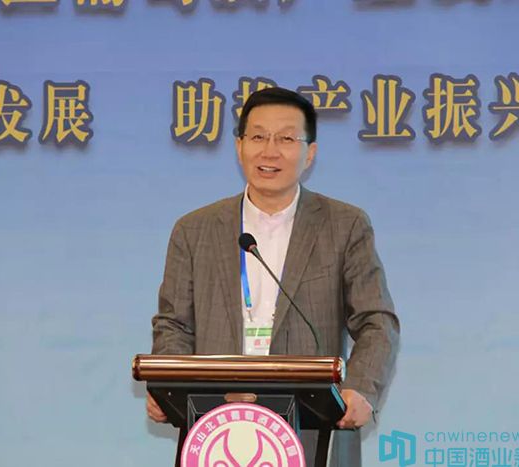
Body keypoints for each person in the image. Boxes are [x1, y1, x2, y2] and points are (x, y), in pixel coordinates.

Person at [147, 87, 399, 466]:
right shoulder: (194, 229)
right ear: (239, 146)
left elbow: (377, 321)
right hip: (215, 427)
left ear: (310, 153)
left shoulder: (344, 225)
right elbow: (173, 325)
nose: (270, 151)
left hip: (313, 426)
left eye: (286, 139)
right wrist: (171, 385)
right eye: (258, 137)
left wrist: (361, 388)